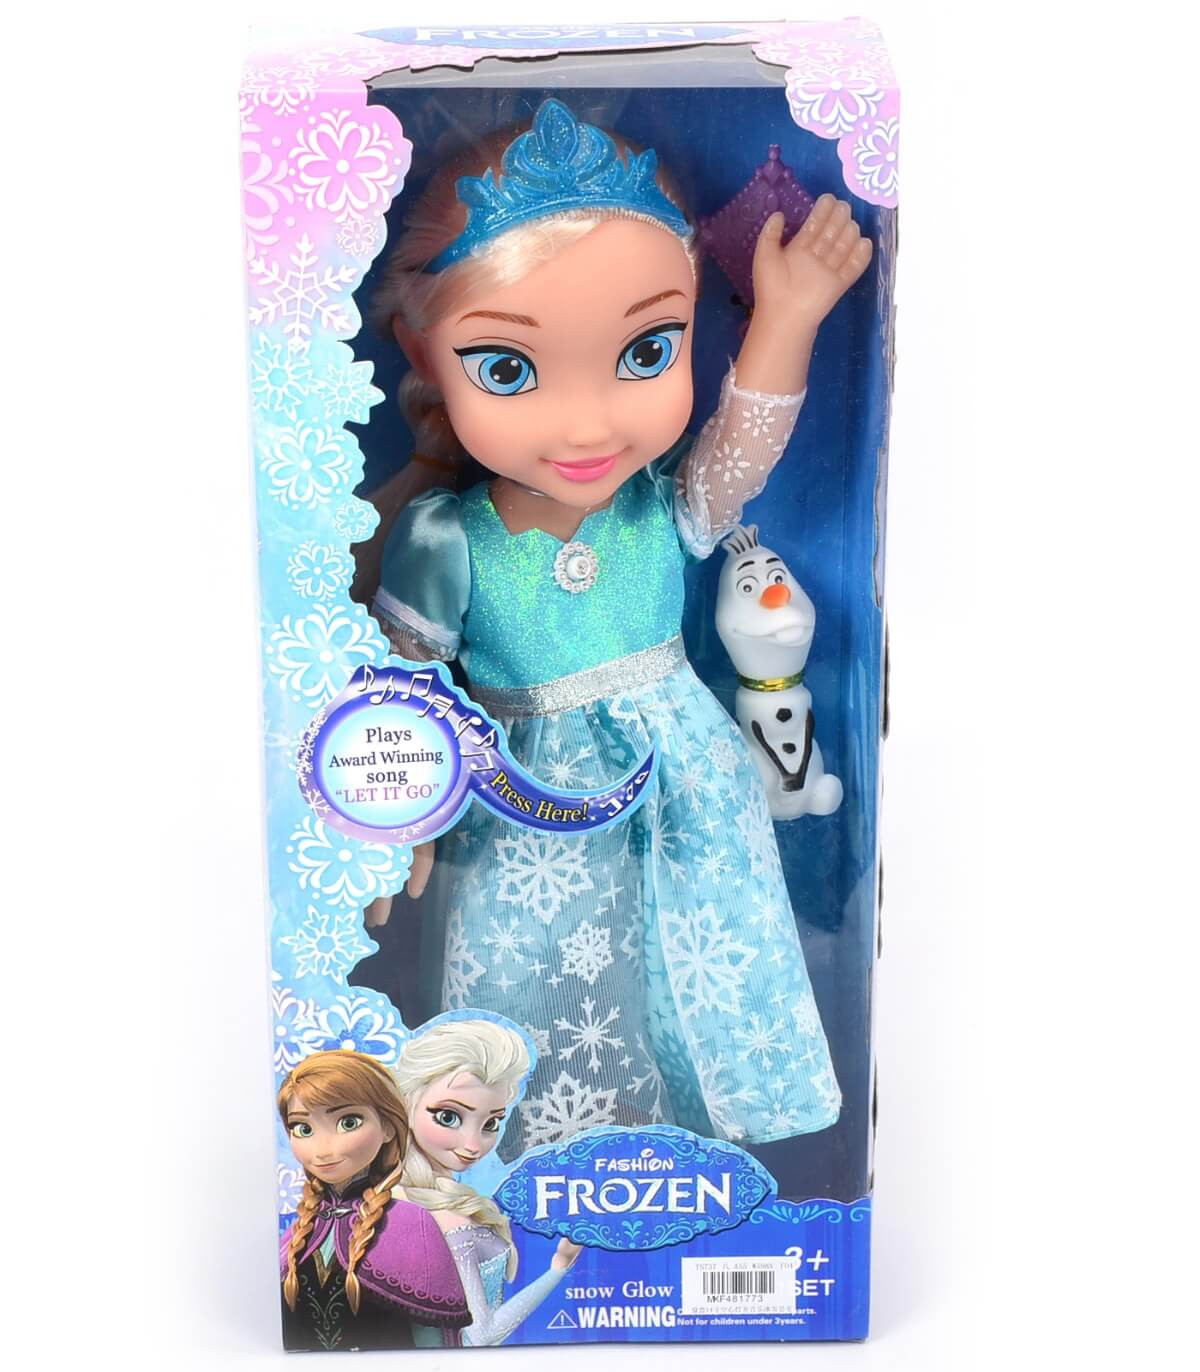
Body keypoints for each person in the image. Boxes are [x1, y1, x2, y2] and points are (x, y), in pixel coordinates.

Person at [369, 98, 872, 1154]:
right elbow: (406, 701)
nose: (588, 422)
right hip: (528, 814)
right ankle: (558, 1165)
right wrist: (397, 828)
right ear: (422, 349)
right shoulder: (446, 539)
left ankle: (717, 1152)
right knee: (543, 975)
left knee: (701, 963)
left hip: (688, 793)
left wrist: (787, 317)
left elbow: (741, 453)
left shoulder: (659, 507)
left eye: (646, 350)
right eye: (507, 368)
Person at [392, 1018, 581, 1346]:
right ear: (406, 1103)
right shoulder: (448, 1221)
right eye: (448, 1117)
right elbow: (479, 1335)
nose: (473, 1145)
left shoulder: (399, 1199)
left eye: (491, 1123)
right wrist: (558, 1269)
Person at [277, 1049, 470, 1350]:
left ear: (388, 1127)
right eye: (303, 1128)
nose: (323, 1149)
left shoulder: (412, 1224)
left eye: (348, 1122)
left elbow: (433, 1345)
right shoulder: (296, 1234)